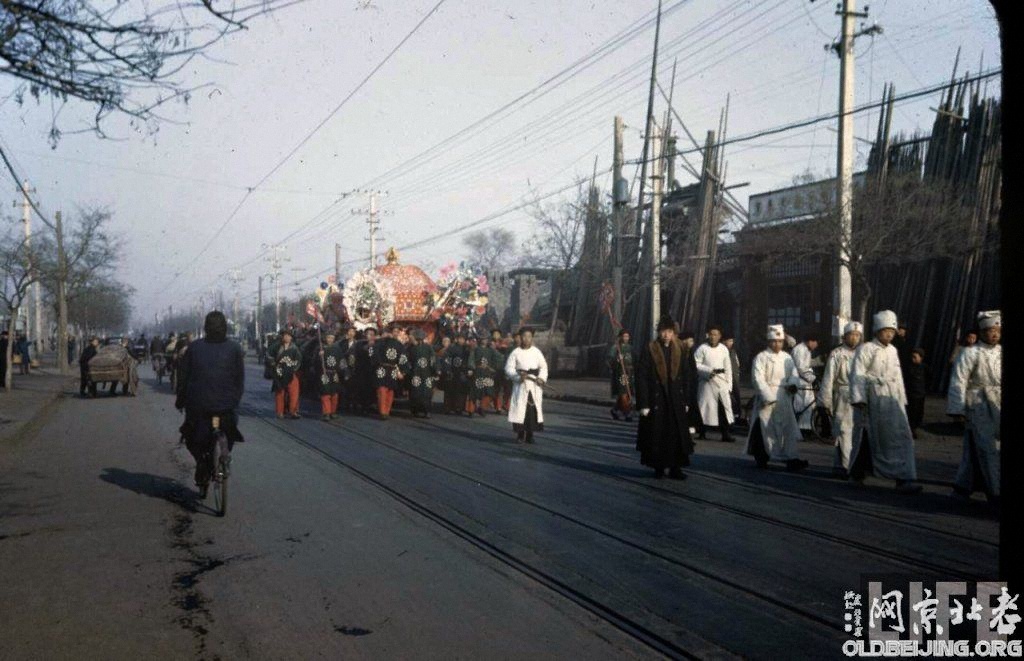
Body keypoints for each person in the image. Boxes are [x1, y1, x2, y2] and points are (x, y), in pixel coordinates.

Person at [849, 310, 921, 494]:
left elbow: (897, 377)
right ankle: (859, 472)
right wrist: (859, 398)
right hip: (873, 399)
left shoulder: (893, 351)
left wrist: (901, 400)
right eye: (885, 330)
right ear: (877, 331)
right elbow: (857, 375)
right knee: (870, 436)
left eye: (892, 330)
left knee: (902, 437)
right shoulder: (866, 349)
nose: (889, 334)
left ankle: (905, 476)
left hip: (892, 401)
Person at [175, 311, 245, 495]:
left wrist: (180, 401)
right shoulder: (235, 348)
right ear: (225, 328)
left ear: (206, 327)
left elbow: (183, 378)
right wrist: (234, 400)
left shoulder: (194, 348)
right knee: (229, 432)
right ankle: (224, 455)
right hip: (226, 408)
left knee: (191, 437)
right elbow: (239, 380)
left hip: (199, 407)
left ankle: (202, 464)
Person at [948, 310, 1000, 505]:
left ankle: (963, 486)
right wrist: (957, 408)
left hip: (997, 404)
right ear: (982, 332)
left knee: (980, 447)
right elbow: (958, 381)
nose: (994, 334)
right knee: (987, 447)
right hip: (978, 404)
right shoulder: (971, 353)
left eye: (997, 330)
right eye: (989, 331)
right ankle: (995, 491)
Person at [635, 314, 697, 479]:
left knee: (677, 435)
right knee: (658, 434)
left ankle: (676, 467)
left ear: (673, 332)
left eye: (669, 331)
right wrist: (644, 403)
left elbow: (686, 376)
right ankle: (658, 466)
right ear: (658, 332)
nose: (666, 335)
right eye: (663, 331)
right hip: (658, 399)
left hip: (675, 398)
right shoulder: (650, 349)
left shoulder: (680, 349)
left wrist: (686, 400)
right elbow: (641, 376)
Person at [745, 324, 808, 472]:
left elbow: (793, 374)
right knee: (765, 428)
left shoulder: (787, 357)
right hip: (768, 397)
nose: (777, 344)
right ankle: (763, 456)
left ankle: (791, 457)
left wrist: (793, 384)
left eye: (780, 341)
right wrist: (767, 395)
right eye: (774, 341)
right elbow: (757, 378)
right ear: (768, 341)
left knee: (788, 429)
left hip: (784, 396)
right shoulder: (761, 357)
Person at [818, 321, 863, 477]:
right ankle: (843, 466)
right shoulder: (837, 354)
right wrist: (825, 400)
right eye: (852, 335)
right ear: (845, 336)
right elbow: (829, 378)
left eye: (858, 335)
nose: (855, 338)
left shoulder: (864, 353)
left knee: (856, 433)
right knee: (843, 431)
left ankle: (850, 465)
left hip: (860, 397)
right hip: (843, 397)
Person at [504, 327, 548, 443]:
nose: (526, 339)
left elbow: (543, 367)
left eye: (529, 336)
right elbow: (508, 368)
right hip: (521, 385)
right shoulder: (516, 352)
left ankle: (530, 435)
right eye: (524, 336)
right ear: (520, 338)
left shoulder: (536, 352)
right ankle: (520, 434)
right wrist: (518, 377)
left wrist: (541, 379)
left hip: (534, 385)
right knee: (520, 410)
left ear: (532, 338)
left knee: (531, 410)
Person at [693, 324, 735, 442]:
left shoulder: (723, 349)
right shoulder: (702, 348)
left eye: (715, 335)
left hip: (721, 381)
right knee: (704, 408)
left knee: (723, 408)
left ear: (720, 336)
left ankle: (725, 433)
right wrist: (707, 371)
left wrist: (729, 384)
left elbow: (728, 367)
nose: (713, 337)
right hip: (707, 382)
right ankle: (702, 432)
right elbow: (696, 364)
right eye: (711, 334)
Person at [371, 325, 407, 420]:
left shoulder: (400, 345)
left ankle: (387, 411)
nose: (395, 333)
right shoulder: (381, 342)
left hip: (392, 369)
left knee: (390, 391)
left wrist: (402, 371)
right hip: (382, 368)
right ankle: (382, 411)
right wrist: (377, 364)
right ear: (390, 332)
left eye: (397, 332)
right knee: (382, 390)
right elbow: (373, 353)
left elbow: (403, 358)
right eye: (394, 331)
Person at [270, 328, 302, 419]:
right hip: (279, 372)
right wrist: (273, 363)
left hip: (291, 373)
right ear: (282, 337)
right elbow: (269, 355)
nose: (287, 337)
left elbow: (299, 360)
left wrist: (293, 369)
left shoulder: (295, 348)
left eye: (289, 336)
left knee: (294, 393)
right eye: (285, 335)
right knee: (280, 392)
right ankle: (280, 412)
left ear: (291, 337)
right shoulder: (276, 346)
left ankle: (293, 411)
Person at [406, 329, 437, 418]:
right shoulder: (410, 348)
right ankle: (416, 410)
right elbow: (406, 360)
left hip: (425, 373)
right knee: (416, 393)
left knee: (426, 393)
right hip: (416, 373)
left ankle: (426, 411)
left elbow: (433, 359)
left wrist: (435, 370)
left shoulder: (427, 347)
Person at [791, 334, 818, 431]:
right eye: (816, 343)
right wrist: (812, 378)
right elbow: (801, 368)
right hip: (800, 381)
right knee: (802, 405)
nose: (816, 345)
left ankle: (806, 428)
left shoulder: (805, 350)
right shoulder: (800, 350)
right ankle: (802, 429)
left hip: (805, 381)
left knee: (807, 405)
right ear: (810, 341)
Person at [608, 329, 636, 422]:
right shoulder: (616, 348)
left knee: (627, 394)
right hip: (620, 373)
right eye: (624, 336)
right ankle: (627, 413)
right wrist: (617, 360)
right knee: (623, 393)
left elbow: (635, 360)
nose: (626, 338)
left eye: (627, 336)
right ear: (620, 337)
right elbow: (609, 360)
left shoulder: (630, 348)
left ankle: (615, 410)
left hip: (629, 373)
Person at [472, 334, 502, 415]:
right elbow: (471, 359)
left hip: (488, 372)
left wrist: (494, 368)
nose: (483, 340)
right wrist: (472, 368)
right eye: (482, 338)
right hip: (478, 372)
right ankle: (476, 407)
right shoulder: (476, 349)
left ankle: (482, 408)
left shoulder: (490, 350)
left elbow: (498, 358)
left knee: (488, 391)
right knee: (478, 389)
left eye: (485, 339)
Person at [317, 331, 344, 421]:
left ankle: (333, 411)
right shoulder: (321, 349)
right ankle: (326, 412)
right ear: (326, 338)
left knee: (335, 393)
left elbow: (341, 361)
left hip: (334, 373)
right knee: (325, 393)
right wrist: (319, 356)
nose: (330, 339)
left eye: (332, 338)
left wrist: (345, 371)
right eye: (328, 337)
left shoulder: (337, 349)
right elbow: (314, 362)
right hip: (325, 373)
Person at [904, 348, 929, 439]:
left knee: (918, 413)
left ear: (921, 358)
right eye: (912, 357)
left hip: (920, 394)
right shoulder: (908, 367)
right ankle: (911, 429)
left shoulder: (924, 368)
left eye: (915, 357)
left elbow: (928, 379)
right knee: (911, 413)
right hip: (911, 394)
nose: (913, 359)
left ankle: (915, 427)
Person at [723, 335, 743, 422]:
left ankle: (737, 412)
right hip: (727, 375)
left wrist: (737, 371)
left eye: (732, 341)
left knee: (736, 393)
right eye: (729, 341)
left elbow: (737, 362)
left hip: (735, 375)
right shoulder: (722, 351)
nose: (731, 343)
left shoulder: (733, 351)